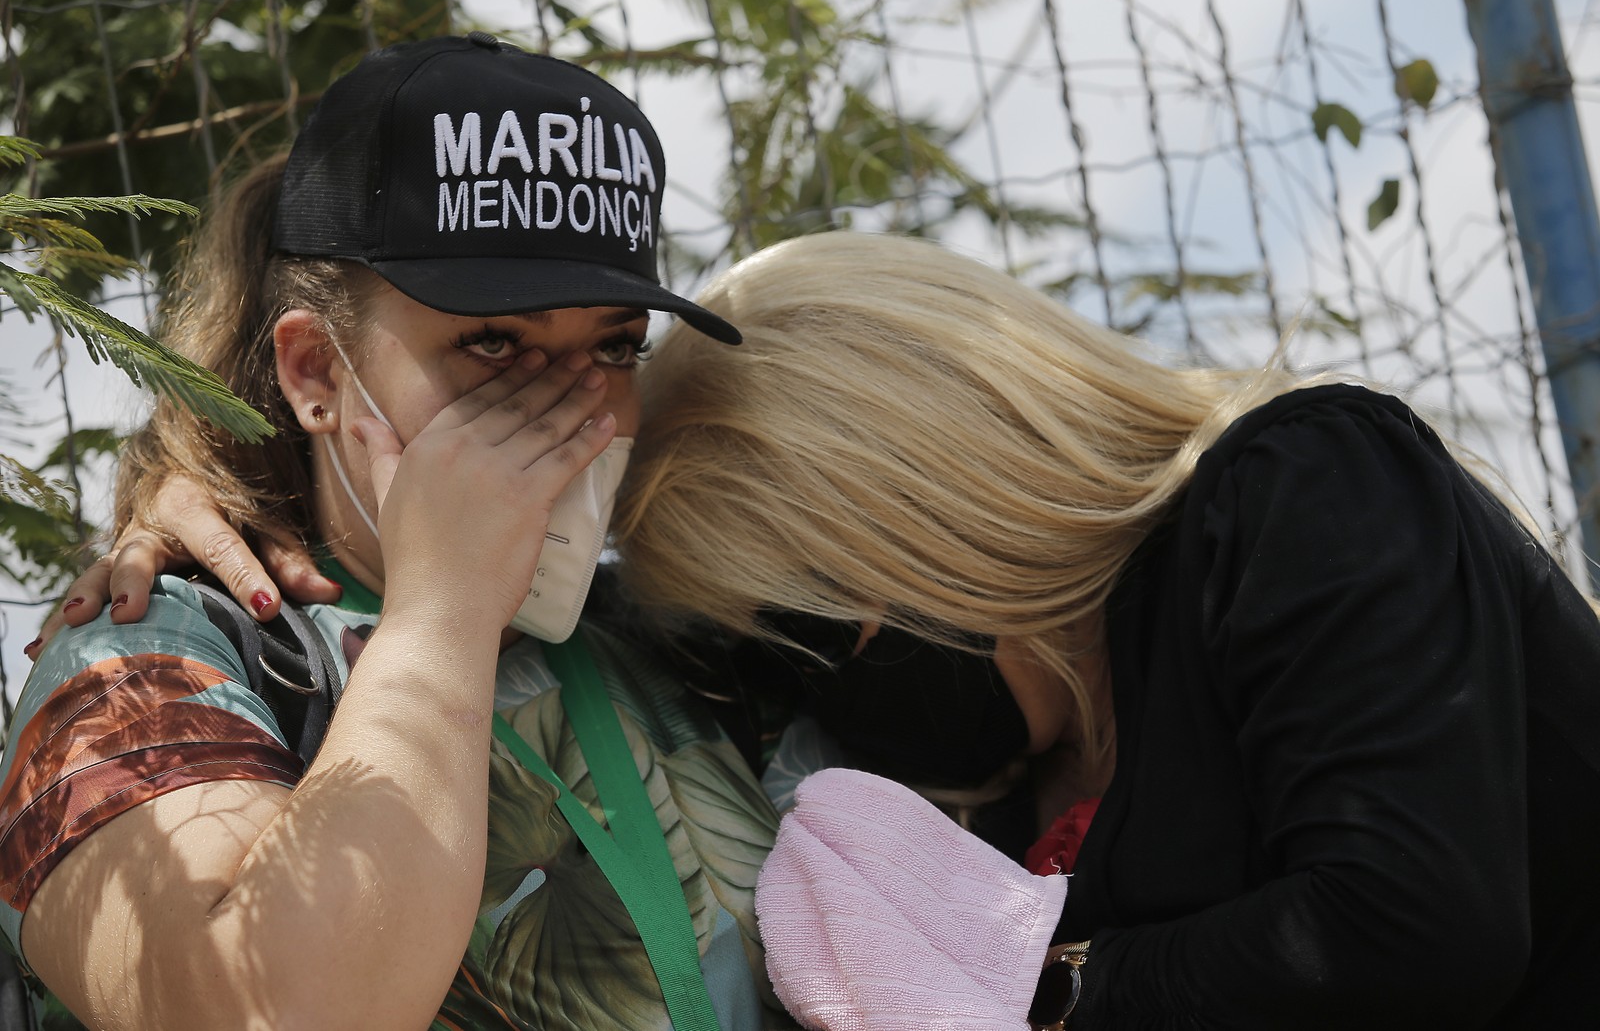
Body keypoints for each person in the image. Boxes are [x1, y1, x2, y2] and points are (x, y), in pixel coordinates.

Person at [34, 226, 1600, 1028]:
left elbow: (1415, 921)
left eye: (814, 629)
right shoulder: (1033, 791)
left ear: (916, 521)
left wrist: (1037, 991)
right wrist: (203, 490)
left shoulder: (1294, 487)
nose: (796, 689)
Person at [3, 34, 788, 1031]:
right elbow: (257, 1010)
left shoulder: (676, 633)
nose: (573, 415)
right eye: (495, 344)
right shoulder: (150, 650)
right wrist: (441, 613)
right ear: (315, 373)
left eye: (615, 347)